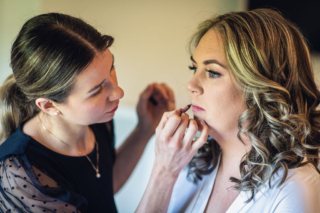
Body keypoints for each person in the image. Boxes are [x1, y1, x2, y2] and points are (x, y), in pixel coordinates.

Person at [136, 8, 320, 213]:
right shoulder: (183, 160)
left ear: (261, 87)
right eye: (193, 69)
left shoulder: (294, 191)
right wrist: (164, 172)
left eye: (213, 72)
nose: (191, 85)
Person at [0, 13, 176, 212]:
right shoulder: (20, 175)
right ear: (49, 106)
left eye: (111, 68)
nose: (118, 92)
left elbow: (106, 185)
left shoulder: (98, 119)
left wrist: (144, 130)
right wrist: (166, 171)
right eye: (97, 90)